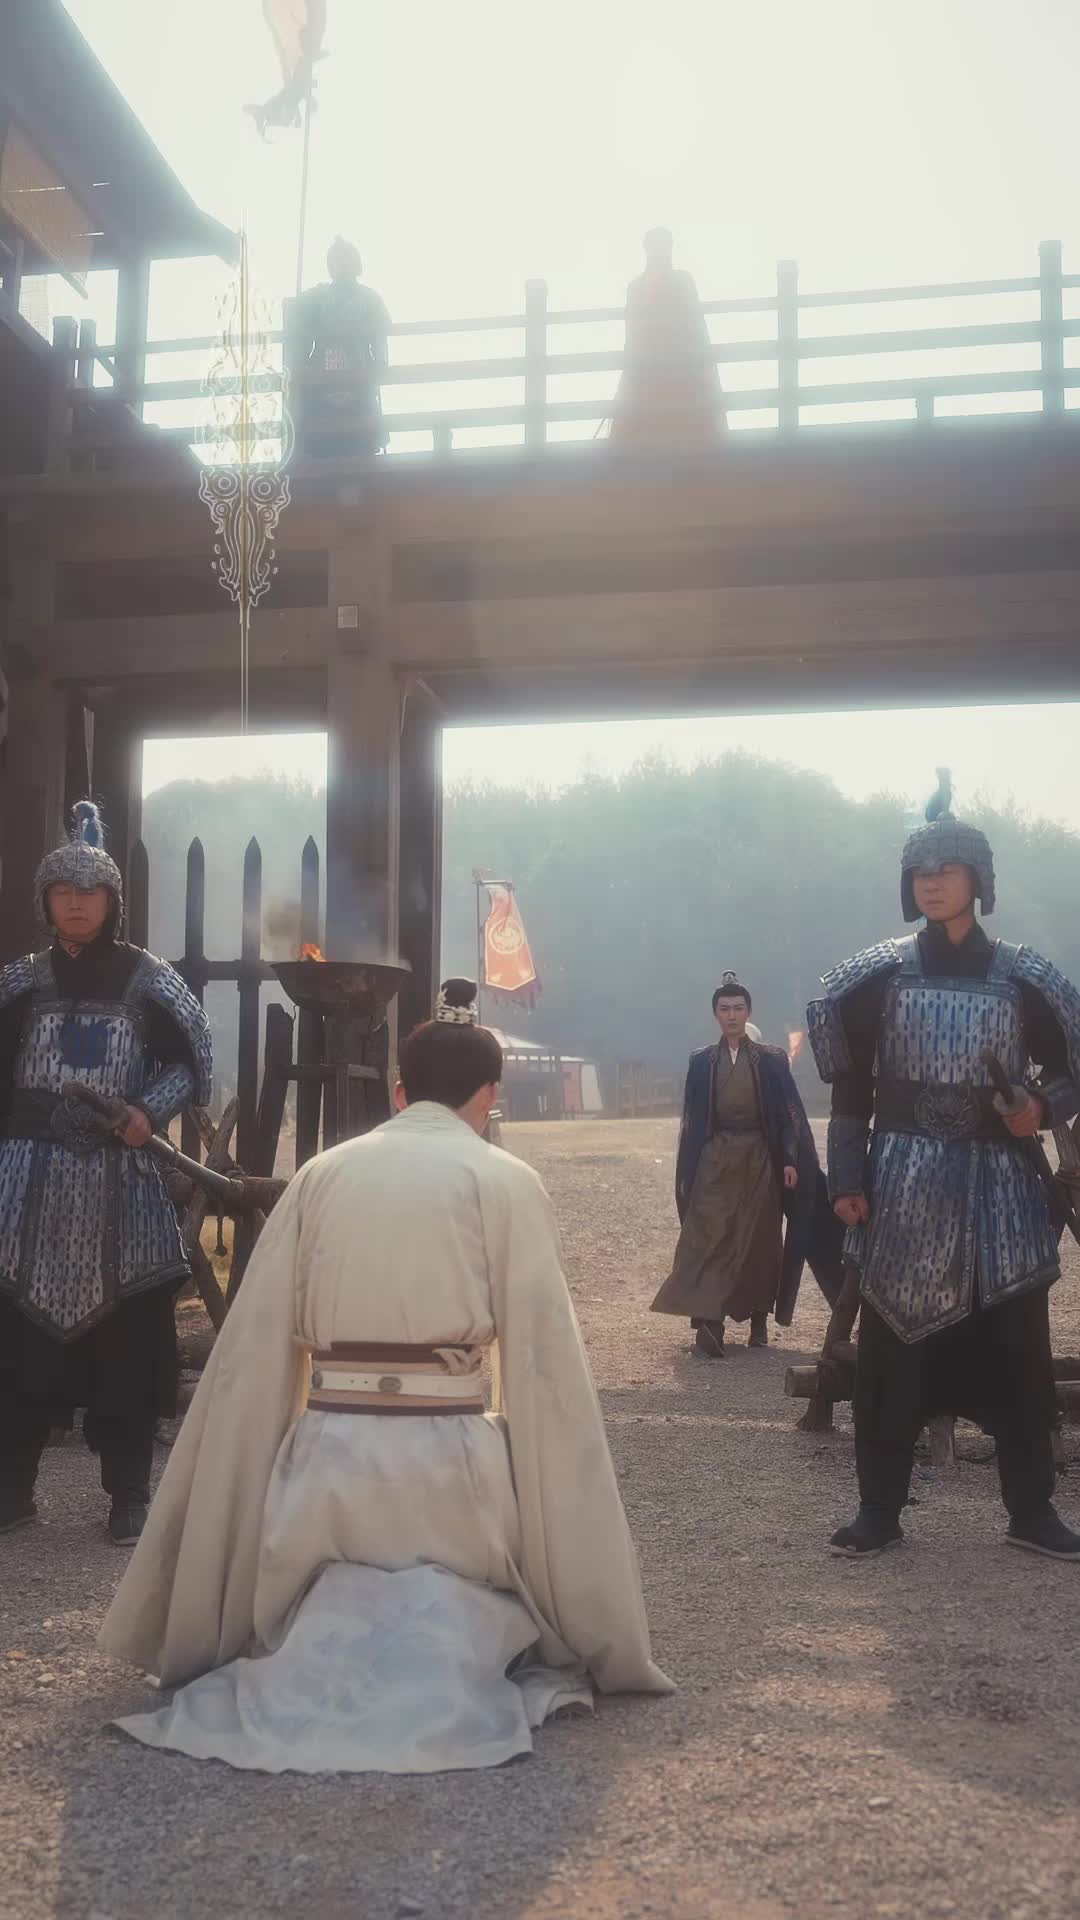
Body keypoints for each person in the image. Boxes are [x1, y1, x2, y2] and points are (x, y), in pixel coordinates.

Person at [99, 978, 672, 1775]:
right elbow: (546, 1368)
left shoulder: (322, 1174)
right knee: (461, 1593)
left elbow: (252, 1352)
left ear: (400, 1092)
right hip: (450, 1475)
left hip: (325, 1468)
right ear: (489, 1096)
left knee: (324, 1597)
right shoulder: (504, 1180)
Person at [808, 771, 1080, 1561]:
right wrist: (847, 1179)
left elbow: (1071, 1070)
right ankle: (879, 1509)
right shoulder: (874, 979)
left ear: (978, 880)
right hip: (905, 1181)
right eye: (920, 872)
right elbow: (850, 1091)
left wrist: (1039, 1108)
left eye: (947, 870)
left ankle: (1031, 1510)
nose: (932, 882)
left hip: (1003, 1187)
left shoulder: (1027, 979)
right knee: (890, 1355)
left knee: (1019, 1353)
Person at [0, 802, 212, 1545]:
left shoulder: (151, 981)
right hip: (24, 1191)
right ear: (46, 901)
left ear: (112, 901)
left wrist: (147, 1112)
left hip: (121, 1186)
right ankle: (11, 1488)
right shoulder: (17, 985)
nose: (76, 902)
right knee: (15, 1343)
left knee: (128, 1342)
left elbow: (191, 1063)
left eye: (89, 892)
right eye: (63, 891)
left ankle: (128, 1492)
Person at [651, 973, 843, 1358]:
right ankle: (709, 1321)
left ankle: (758, 1317)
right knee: (707, 1235)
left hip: (760, 1158)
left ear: (748, 1012)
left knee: (759, 1239)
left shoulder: (771, 1059)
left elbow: (789, 1115)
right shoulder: (702, 1061)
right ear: (715, 1015)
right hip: (715, 1158)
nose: (732, 1015)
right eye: (724, 1009)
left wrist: (790, 1159)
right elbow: (692, 1119)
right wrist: (689, 1167)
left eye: (738, 1008)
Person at [608, 227, 726, 449]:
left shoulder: (660, 284)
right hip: (662, 370)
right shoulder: (644, 287)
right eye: (660, 247)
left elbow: (695, 327)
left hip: (670, 370)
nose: (664, 253)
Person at [287, 235, 391, 458]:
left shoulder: (369, 298)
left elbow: (381, 332)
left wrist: (380, 363)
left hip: (358, 373)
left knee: (362, 437)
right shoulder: (316, 297)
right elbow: (297, 323)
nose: (341, 265)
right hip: (322, 375)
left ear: (356, 264)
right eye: (336, 261)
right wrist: (295, 308)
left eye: (346, 260)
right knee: (318, 435)